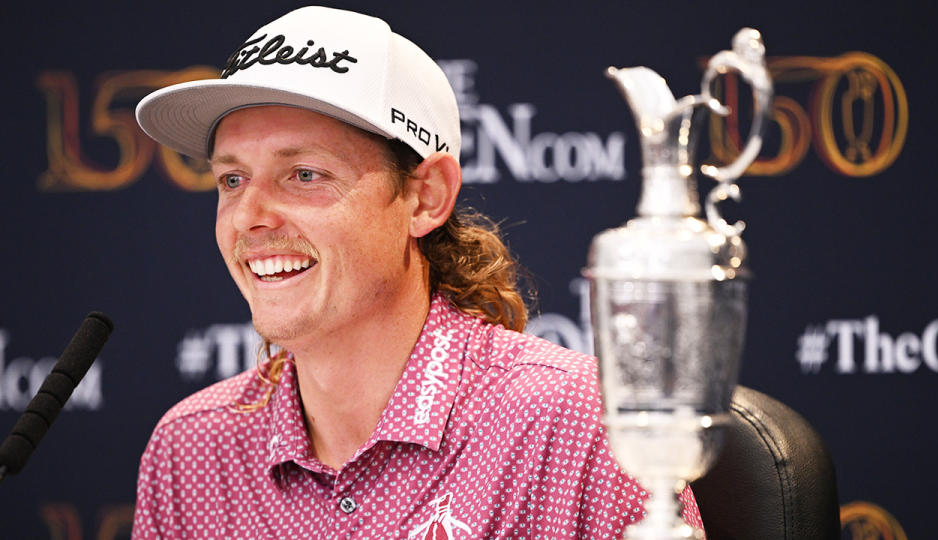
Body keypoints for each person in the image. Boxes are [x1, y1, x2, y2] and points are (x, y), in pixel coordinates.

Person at [133, 6, 704, 539]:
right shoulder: (190, 450)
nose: (249, 217)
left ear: (426, 197)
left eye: (304, 174)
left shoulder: (582, 425)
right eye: (232, 180)